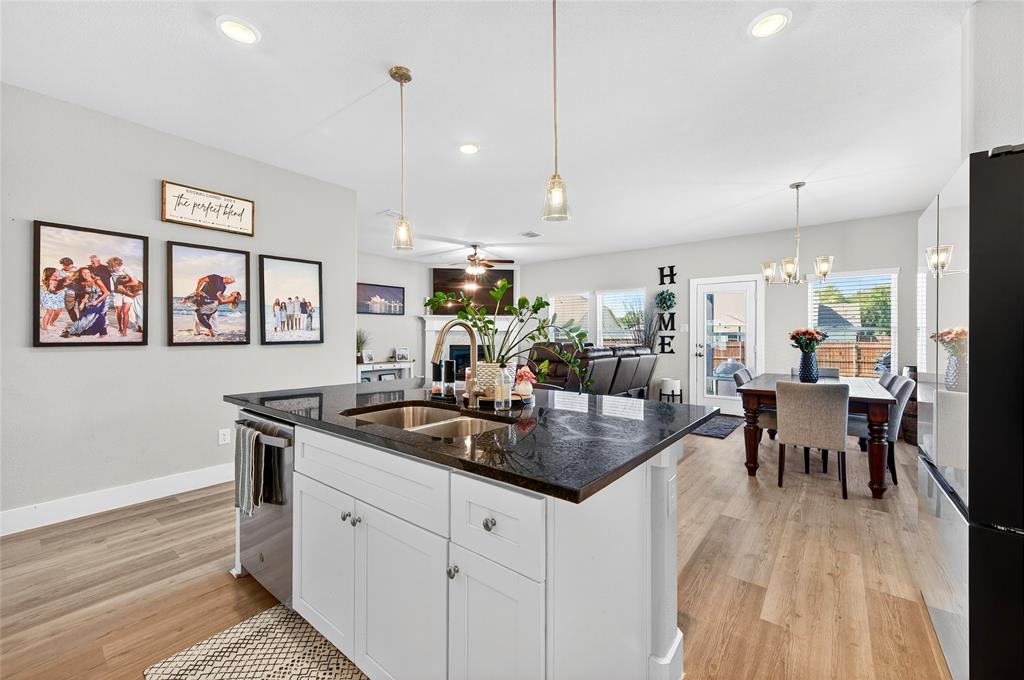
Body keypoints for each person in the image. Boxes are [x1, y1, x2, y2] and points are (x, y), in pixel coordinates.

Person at [186, 273, 239, 338]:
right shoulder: (216, 277)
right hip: (203, 301)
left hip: (212, 304)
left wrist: (218, 299)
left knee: (211, 318)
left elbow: (219, 298)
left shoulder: (224, 287)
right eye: (231, 282)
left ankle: (211, 331)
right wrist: (197, 290)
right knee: (199, 316)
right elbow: (201, 280)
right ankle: (199, 331)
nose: (230, 284)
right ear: (228, 278)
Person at [61, 268, 109, 337]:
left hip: (102, 299)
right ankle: (103, 333)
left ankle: (71, 330)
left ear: (90, 273)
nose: (86, 274)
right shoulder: (83, 282)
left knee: (89, 315)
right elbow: (88, 293)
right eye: (83, 273)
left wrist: (97, 301)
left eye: (88, 272)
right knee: (94, 316)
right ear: (81, 274)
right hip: (92, 300)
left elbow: (107, 293)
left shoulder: (97, 280)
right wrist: (83, 302)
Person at [107, 257, 139, 336]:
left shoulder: (125, 269)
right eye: (113, 267)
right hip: (117, 293)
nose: (115, 268)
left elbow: (135, 282)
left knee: (125, 311)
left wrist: (123, 285)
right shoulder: (110, 269)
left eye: (117, 266)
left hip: (127, 292)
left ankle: (124, 330)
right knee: (118, 311)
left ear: (120, 264)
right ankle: (119, 327)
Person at [39, 267, 67, 331]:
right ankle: (44, 326)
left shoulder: (60, 278)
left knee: (57, 312)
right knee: (49, 312)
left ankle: (51, 322)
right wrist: (63, 287)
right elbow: (53, 290)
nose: (58, 272)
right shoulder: (50, 280)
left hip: (59, 297)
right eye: (56, 271)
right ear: (51, 273)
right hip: (50, 297)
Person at [58, 257, 81, 322]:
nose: (67, 266)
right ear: (62, 264)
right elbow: (61, 284)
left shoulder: (78, 269)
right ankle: (76, 322)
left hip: (80, 292)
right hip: (69, 293)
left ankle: (82, 323)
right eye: (65, 265)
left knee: (82, 308)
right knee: (69, 309)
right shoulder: (60, 272)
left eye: (69, 265)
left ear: (72, 263)